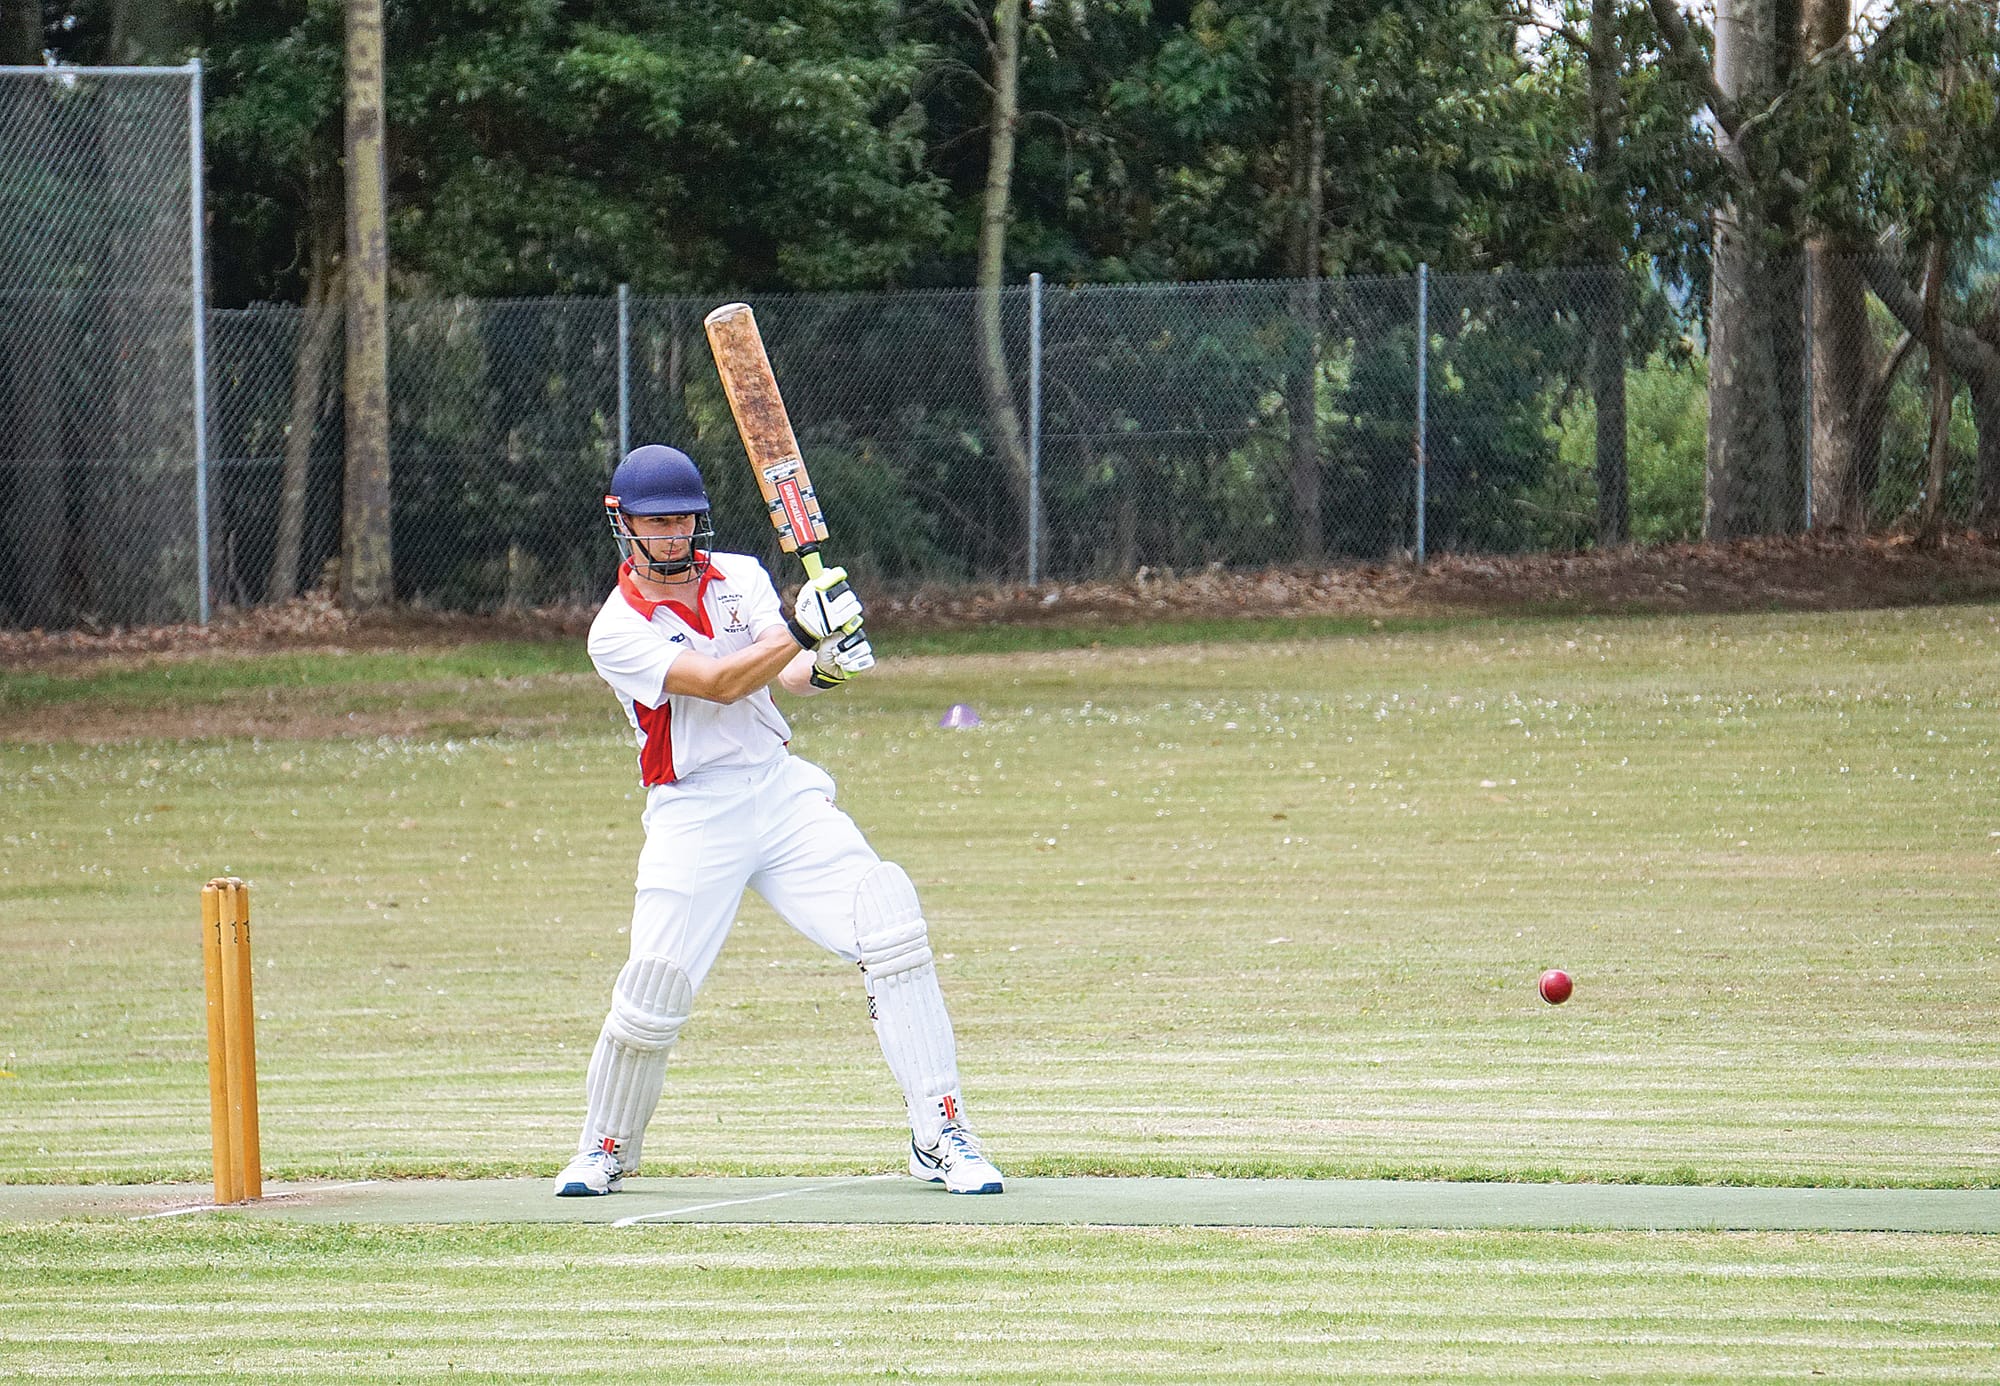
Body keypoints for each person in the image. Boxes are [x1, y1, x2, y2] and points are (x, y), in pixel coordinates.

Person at [553, 443, 1003, 1197]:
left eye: (684, 521)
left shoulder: (742, 576)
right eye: (655, 524)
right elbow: (722, 682)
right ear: (622, 525)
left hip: (779, 790)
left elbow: (781, 672)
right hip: (693, 812)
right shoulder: (614, 629)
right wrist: (804, 629)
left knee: (889, 924)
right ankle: (604, 1146)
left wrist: (822, 661)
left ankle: (943, 1131)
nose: (672, 537)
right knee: (653, 987)